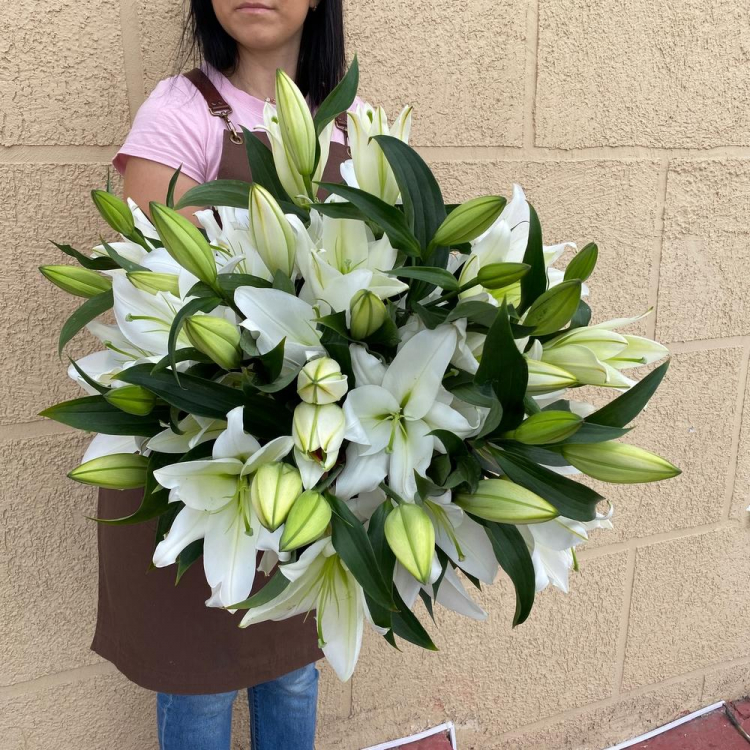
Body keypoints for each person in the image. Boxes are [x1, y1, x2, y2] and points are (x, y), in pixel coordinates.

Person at [94, 1, 364, 748]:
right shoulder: (183, 111)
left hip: (311, 460)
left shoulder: (357, 126)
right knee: (200, 688)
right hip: (195, 459)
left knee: (293, 672)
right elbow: (151, 294)